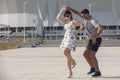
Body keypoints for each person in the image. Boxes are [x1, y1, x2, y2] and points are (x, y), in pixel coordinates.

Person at [65, 6, 103, 77]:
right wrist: (70, 9)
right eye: (82, 16)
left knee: (92, 55)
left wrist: (95, 36)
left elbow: (100, 28)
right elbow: (76, 13)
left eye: (84, 16)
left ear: (87, 14)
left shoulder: (93, 20)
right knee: (85, 54)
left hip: (96, 39)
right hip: (91, 39)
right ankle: (92, 68)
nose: (83, 17)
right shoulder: (85, 17)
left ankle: (98, 72)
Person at [56, 7, 84, 78]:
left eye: (67, 15)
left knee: (65, 52)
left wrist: (77, 32)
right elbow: (57, 17)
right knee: (67, 56)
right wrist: (62, 10)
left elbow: (82, 25)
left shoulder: (73, 21)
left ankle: (73, 61)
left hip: (71, 38)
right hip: (66, 38)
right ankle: (70, 72)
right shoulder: (65, 22)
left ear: (70, 15)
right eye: (65, 16)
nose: (66, 17)